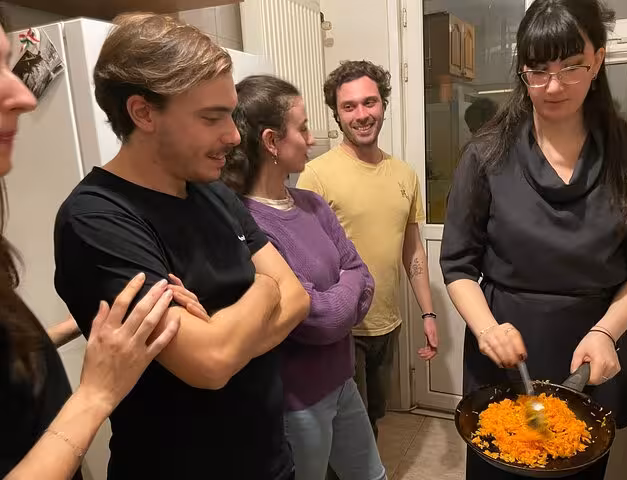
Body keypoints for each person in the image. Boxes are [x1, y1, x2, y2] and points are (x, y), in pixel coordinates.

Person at [53, 14, 309, 480]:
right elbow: (210, 364)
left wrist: (230, 336)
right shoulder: (97, 219)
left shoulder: (211, 189)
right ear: (143, 113)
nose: (233, 135)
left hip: (269, 461)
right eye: (212, 117)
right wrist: (265, 292)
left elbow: (299, 297)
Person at [439, 0, 627, 479]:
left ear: (599, 61)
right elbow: (458, 264)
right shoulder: (487, 154)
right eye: (538, 70)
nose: (553, 86)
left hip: (593, 349)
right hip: (504, 345)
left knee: (575, 466)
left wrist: (607, 332)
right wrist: (487, 329)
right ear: (522, 70)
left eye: (571, 67)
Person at [0, 21, 181, 480]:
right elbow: (212, 363)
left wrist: (82, 326)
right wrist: (96, 393)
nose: (23, 96)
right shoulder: (93, 214)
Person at [223, 75, 386, 480]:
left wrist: (337, 293)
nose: (311, 139)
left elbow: (363, 276)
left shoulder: (312, 203)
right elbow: (319, 320)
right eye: (303, 128)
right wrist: (345, 289)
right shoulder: (246, 223)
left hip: (342, 381)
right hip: (296, 401)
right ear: (271, 141)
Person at [297, 60, 439, 438]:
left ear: (383, 105)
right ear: (338, 115)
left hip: (387, 324)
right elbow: (305, 257)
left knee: (375, 414)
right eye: (349, 107)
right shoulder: (317, 174)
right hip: (341, 328)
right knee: (346, 427)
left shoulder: (405, 174)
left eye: (369, 103)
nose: (362, 115)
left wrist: (428, 313)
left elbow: (413, 251)